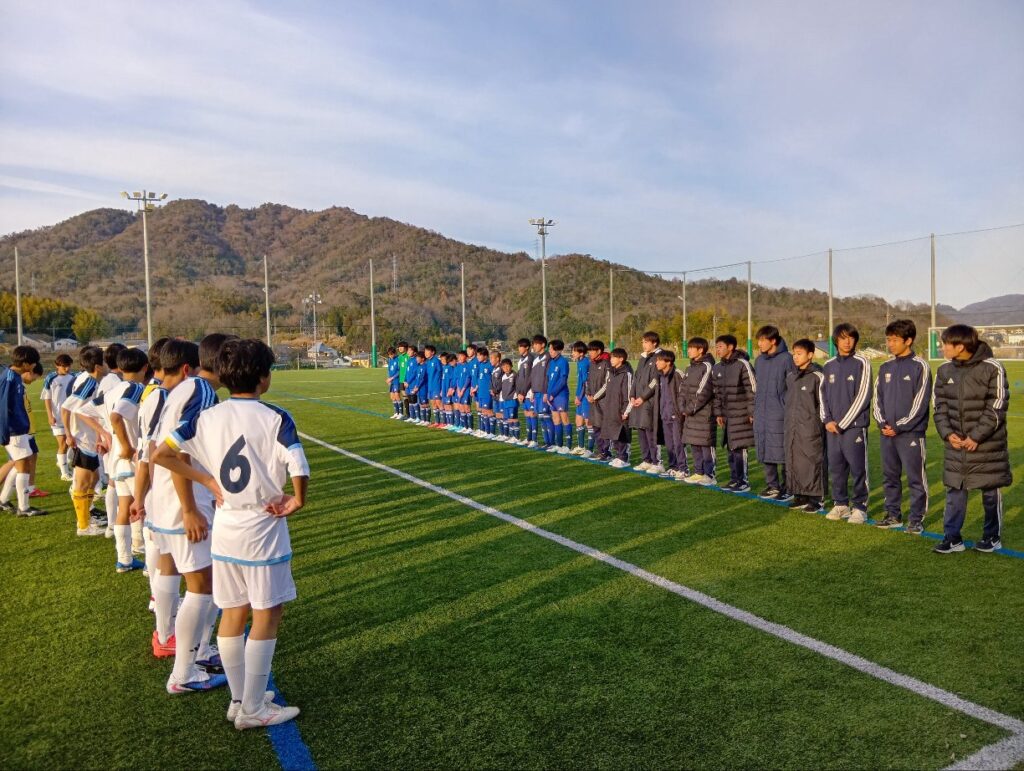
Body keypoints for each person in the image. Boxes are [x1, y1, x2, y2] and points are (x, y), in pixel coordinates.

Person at [154, 338, 308, 729]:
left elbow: (161, 454)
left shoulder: (207, 416)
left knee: (233, 611)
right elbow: (298, 465)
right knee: (267, 613)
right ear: (264, 377)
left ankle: (241, 700)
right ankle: (253, 708)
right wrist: (297, 500)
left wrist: (206, 480)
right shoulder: (276, 417)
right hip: (263, 528)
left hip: (225, 529)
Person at [149, 336, 231, 694]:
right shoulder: (202, 391)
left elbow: (159, 446)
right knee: (203, 587)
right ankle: (184, 673)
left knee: (198, 582)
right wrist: (191, 507)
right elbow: (174, 453)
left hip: (166, 501)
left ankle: (198, 651)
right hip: (182, 503)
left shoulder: (185, 388)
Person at [932, 324, 1011, 554]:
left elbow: (997, 406)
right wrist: (948, 433)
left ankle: (992, 537)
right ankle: (952, 538)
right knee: (954, 490)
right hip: (956, 445)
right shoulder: (944, 370)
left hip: (987, 445)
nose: (942, 347)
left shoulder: (993, 367)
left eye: (946, 344)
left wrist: (976, 437)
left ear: (960, 346)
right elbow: (939, 406)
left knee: (990, 491)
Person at [873, 319, 932, 534]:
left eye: (895, 340)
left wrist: (899, 426)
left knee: (915, 478)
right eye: (888, 340)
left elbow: (921, 403)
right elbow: (877, 399)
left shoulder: (920, 366)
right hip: (887, 433)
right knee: (890, 476)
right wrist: (882, 423)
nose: (890, 344)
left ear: (908, 340)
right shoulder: (885, 367)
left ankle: (916, 519)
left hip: (910, 434)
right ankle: (893, 514)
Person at [821, 323, 872, 524]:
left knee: (858, 469)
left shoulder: (862, 362)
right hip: (832, 428)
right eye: (843, 338)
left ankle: (860, 507)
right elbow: (822, 395)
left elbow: (863, 396)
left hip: (853, 427)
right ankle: (840, 504)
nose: (847, 342)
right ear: (836, 340)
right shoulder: (829, 365)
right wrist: (827, 420)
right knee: (836, 467)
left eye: (851, 337)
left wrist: (842, 423)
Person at [103, 347, 149, 572]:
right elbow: (116, 417)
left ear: (120, 368)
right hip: (132, 457)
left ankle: (124, 559)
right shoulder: (136, 388)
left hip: (116, 459)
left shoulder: (112, 391)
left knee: (124, 507)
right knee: (146, 507)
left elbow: (105, 416)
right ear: (145, 367)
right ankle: (151, 563)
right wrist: (127, 446)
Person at [62, 346, 108, 534]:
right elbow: (66, 407)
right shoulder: (89, 383)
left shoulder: (94, 382)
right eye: (104, 362)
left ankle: (87, 519)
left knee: (94, 478)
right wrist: (68, 434)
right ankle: (83, 526)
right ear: (98, 366)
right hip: (82, 439)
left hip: (89, 438)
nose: (107, 365)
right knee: (82, 482)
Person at [0, 347, 47, 517]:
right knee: (23, 466)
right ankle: (24, 508)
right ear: (26, 364)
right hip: (14, 431)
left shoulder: (15, 377)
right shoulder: (9, 378)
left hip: (20, 429)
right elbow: (2, 406)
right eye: (33, 363)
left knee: (19, 463)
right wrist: (4, 432)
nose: (34, 366)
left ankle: (3, 500)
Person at [783, 339, 827, 512]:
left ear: (810, 355)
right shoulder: (790, 376)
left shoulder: (817, 376)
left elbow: (824, 404)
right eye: (794, 353)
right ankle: (800, 495)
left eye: (799, 353)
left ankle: (816, 499)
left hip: (811, 428)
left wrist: (819, 424)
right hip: (792, 427)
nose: (795, 357)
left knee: (812, 461)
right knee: (795, 460)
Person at [753, 325, 796, 501]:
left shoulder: (787, 359)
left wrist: (786, 408)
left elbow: (792, 388)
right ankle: (772, 486)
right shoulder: (759, 361)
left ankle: (788, 487)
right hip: (762, 413)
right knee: (765, 449)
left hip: (780, 413)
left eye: (763, 340)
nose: (759, 343)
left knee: (784, 451)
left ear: (773, 341)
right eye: (759, 340)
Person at [713, 334, 756, 492]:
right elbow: (716, 393)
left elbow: (752, 389)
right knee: (730, 447)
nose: (717, 350)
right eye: (716, 347)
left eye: (720, 346)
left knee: (739, 447)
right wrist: (718, 413)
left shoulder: (743, 365)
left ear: (730, 347)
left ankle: (743, 482)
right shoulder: (717, 367)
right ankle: (734, 479)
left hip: (742, 414)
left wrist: (752, 412)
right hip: (727, 416)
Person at [680, 337, 717, 486]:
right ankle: (698, 472)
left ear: (700, 350)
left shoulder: (707, 366)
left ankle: (709, 475)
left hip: (704, 413)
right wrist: (682, 407)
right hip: (690, 413)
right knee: (694, 442)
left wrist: (689, 409)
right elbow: (682, 389)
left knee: (705, 444)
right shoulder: (690, 368)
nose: (688, 350)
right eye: (688, 347)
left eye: (691, 348)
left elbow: (703, 392)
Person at [628, 331, 663, 473]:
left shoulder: (659, 357)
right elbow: (636, 378)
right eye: (642, 342)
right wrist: (632, 395)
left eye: (646, 342)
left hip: (650, 401)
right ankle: (646, 460)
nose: (643, 344)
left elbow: (655, 380)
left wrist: (643, 397)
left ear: (654, 343)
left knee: (651, 431)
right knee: (641, 429)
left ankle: (657, 462)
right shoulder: (643, 358)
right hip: (638, 401)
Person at [654, 350, 689, 480]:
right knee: (669, 444)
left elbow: (684, 394)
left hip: (676, 415)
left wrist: (681, 411)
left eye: (659, 360)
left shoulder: (678, 374)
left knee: (678, 443)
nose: (656, 363)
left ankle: (683, 469)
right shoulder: (660, 375)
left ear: (668, 362)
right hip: (665, 414)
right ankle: (673, 467)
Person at [41, 353, 76, 481]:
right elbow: (47, 398)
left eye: (69, 365)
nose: (67, 368)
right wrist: (50, 415)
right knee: (63, 444)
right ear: (57, 365)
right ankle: (64, 473)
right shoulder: (51, 378)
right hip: (57, 417)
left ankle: (63, 462)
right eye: (64, 366)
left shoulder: (73, 377)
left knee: (73, 442)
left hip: (71, 416)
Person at [603, 348, 634, 469]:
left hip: (622, 410)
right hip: (611, 408)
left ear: (621, 359)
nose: (611, 360)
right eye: (611, 357)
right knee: (613, 433)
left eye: (613, 357)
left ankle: (624, 458)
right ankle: (618, 456)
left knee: (622, 434)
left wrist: (626, 411)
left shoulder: (627, 374)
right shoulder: (610, 372)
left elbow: (629, 394)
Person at [585, 340, 612, 461]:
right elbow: (588, 380)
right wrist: (588, 394)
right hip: (592, 400)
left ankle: (607, 452)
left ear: (599, 351)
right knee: (596, 426)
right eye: (589, 350)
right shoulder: (592, 363)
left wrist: (595, 396)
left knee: (604, 427)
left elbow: (607, 384)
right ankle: (600, 451)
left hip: (603, 401)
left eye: (592, 350)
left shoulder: (607, 363)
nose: (590, 352)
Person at [544, 340, 571, 454]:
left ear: (558, 350)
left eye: (552, 349)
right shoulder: (551, 362)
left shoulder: (563, 362)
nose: (550, 351)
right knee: (556, 420)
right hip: (551, 396)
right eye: (549, 349)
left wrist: (553, 394)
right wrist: (547, 393)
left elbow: (563, 380)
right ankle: (559, 445)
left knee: (564, 419)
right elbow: (549, 380)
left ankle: (568, 446)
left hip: (560, 395)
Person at [570, 341, 591, 456]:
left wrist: (579, 396)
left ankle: (590, 450)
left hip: (585, 397)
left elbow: (585, 383)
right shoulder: (579, 362)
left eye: (574, 351)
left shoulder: (585, 363)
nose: (572, 353)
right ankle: (581, 447)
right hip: (580, 397)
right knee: (578, 421)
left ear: (581, 353)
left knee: (588, 422)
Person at [528, 335, 549, 448]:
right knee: (541, 417)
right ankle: (546, 442)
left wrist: (546, 392)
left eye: (536, 344)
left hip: (543, 392)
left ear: (543, 345)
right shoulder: (536, 359)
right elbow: (533, 376)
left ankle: (551, 443)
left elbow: (548, 376)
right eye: (533, 344)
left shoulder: (548, 357)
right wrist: (532, 391)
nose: (534, 346)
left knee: (546, 417)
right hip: (536, 392)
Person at [513, 338, 534, 446]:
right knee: (526, 414)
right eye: (519, 346)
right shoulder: (521, 359)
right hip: (522, 392)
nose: (519, 348)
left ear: (527, 347)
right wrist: (518, 392)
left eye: (521, 346)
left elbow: (529, 378)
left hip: (529, 392)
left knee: (532, 414)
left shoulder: (530, 359)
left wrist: (523, 392)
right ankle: (529, 438)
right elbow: (520, 377)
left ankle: (534, 439)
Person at [472, 347, 493, 438]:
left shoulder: (490, 365)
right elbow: (479, 378)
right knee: (483, 411)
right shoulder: (480, 365)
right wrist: (476, 388)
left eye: (479, 355)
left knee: (488, 411)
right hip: (480, 392)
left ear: (485, 356)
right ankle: (485, 430)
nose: (477, 357)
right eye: (477, 355)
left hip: (487, 392)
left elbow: (493, 379)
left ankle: (491, 432)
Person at [496, 358, 518, 441]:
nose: (506, 368)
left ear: (511, 366)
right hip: (505, 400)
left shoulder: (515, 375)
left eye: (507, 366)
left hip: (512, 399)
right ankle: (511, 436)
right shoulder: (503, 376)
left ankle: (516, 437)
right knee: (507, 418)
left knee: (513, 418)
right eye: (504, 367)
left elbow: (518, 387)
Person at [422, 345, 443, 427]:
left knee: (439, 404)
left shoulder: (436, 361)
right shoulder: (428, 362)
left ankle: (443, 422)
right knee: (433, 404)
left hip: (436, 386)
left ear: (433, 352)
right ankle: (437, 422)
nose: (425, 353)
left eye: (427, 351)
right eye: (425, 351)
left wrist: (441, 386)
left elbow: (441, 373)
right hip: (430, 386)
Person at [453, 350, 472, 432]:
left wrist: (463, 390)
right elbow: (457, 379)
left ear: (466, 357)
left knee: (467, 408)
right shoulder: (458, 366)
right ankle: (464, 426)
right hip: (459, 390)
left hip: (466, 390)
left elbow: (468, 379)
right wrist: (458, 389)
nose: (460, 358)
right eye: (459, 356)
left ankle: (470, 428)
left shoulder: (468, 366)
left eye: (461, 356)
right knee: (461, 408)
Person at [405, 350, 426, 424]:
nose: (408, 352)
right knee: (410, 400)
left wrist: (412, 384)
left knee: (415, 401)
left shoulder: (422, 366)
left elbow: (419, 377)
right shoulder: (411, 362)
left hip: (414, 385)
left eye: (409, 350)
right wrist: (405, 380)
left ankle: (419, 418)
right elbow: (407, 372)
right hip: (410, 384)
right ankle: (412, 417)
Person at [487, 349, 503, 439]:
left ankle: (505, 434)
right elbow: (492, 382)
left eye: (492, 358)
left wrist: (495, 390)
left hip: (500, 395)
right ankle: (501, 434)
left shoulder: (501, 369)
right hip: (495, 395)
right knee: (497, 414)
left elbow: (501, 382)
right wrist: (491, 389)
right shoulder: (494, 369)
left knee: (501, 414)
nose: (490, 360)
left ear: (497, 359)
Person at [385, 347, 403, 418]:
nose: (390, 356)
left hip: (396, 380)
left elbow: (399, 371)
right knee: (392, 397)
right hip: (391, 381)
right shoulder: (390, 360)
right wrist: (388, 379)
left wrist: (392, 378)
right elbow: (389, 370)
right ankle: (396, 413)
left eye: (391, 354)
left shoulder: (398, 359)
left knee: (397, 396)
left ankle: (401, 413)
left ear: (395, 353)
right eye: (389, 354)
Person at [440, 353, 456, 428]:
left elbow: (452, 379)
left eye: (443, 359)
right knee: (445, 406)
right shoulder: (444, 367)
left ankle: (452, 423)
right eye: (441, 359)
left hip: (448, 389)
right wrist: (441, 390)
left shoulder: (450, 367)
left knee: (449, 406)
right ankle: (448, 423)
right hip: (444, 389)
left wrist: (451, 388)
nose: (442, 360)